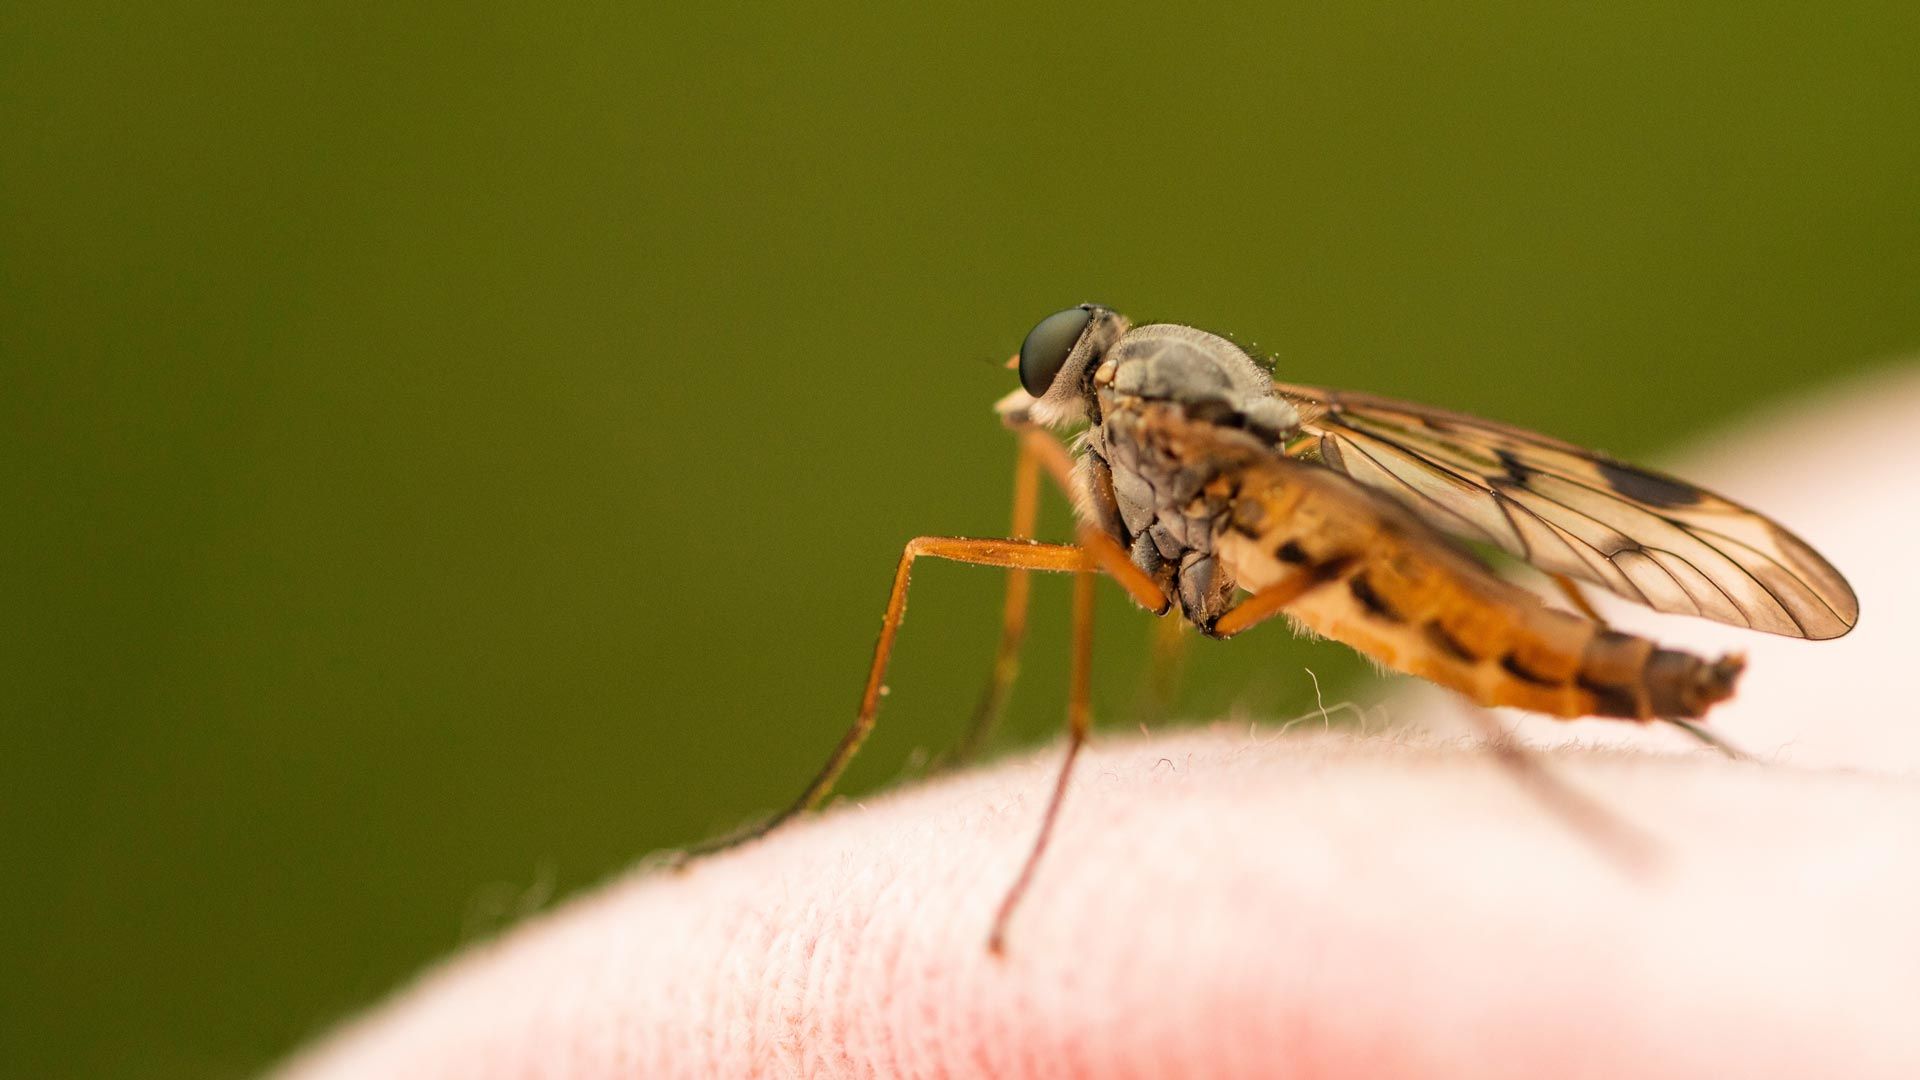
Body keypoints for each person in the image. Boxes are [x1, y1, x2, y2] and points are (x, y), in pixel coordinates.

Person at [275, 367, 1920, 1080]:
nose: (1045, 404)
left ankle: (1626, 735)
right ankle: (1633, 695)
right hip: (1356, 568)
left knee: (1396, 576)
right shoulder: (1118, 460)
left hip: (1399, 581)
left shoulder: (1193, 444)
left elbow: (1437, 535)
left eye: (1062, 384)